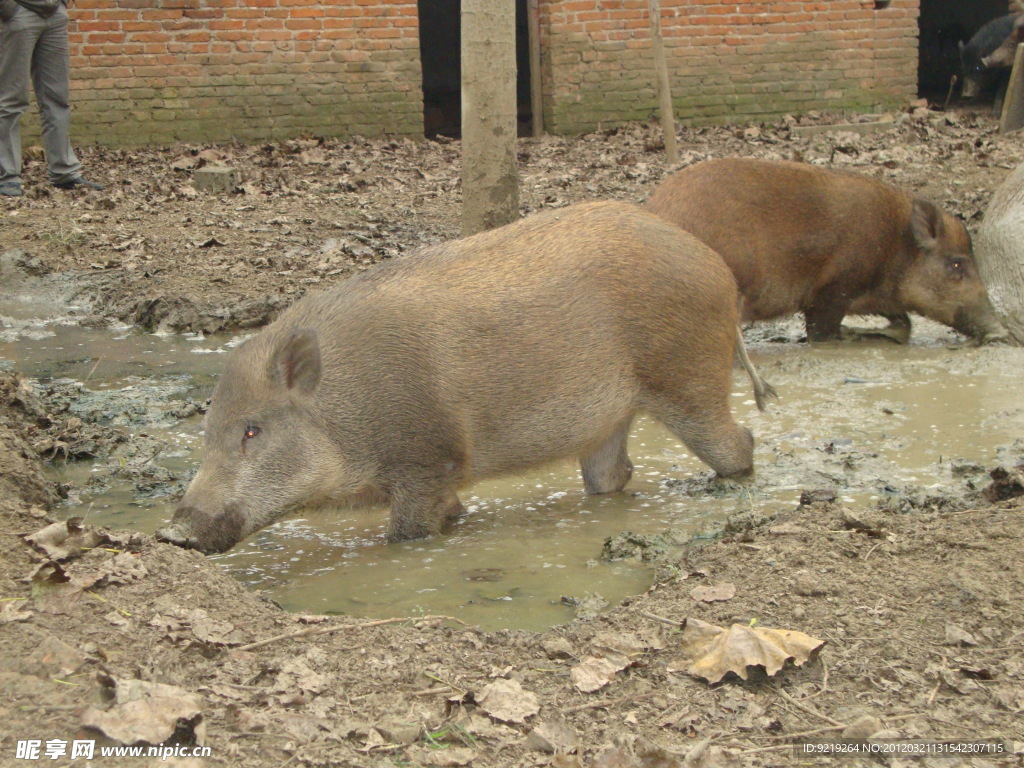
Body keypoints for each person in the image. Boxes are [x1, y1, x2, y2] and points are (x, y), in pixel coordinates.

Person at [0, 0, 103, 197]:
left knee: (57, 98)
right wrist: (7, 8)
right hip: (18, 14)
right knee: (11, 100)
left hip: (54, 14)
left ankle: (64, 171)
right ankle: (7, 176)